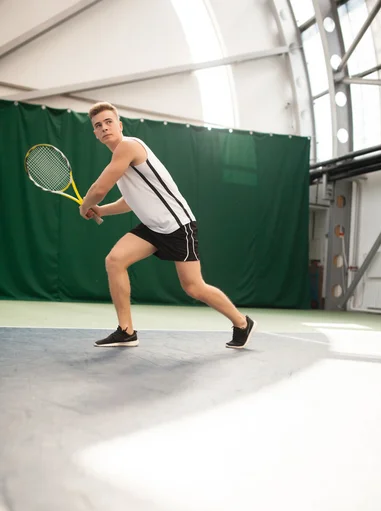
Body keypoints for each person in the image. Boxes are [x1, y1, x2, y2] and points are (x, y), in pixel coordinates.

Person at [80, 102, 256, 349]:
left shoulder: (128, 147)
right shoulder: (118, 157)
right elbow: (130, 201)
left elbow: (99, 189)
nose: (104, 127)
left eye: (109, 122)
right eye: (98, 126)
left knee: (194, 287)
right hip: (152, 227)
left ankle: (241, 322)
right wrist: (101, 210)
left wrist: (85, 205)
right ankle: (126, 331)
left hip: (177, 226)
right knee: (115, 260)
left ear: (119, 125)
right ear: (96, 134)